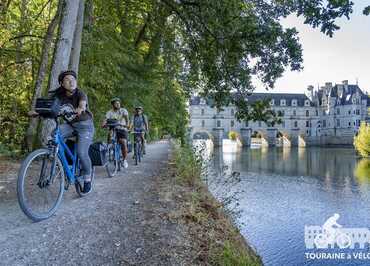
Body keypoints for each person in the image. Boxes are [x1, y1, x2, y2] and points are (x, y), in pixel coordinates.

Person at [29, 70, 95, 194]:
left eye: (73, 79)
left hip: (85, 126)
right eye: (67, 80)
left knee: (81, 152)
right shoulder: (58, 96)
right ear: (62, 83)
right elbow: (49, 107)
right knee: (54, 136)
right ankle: (60, 164)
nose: (71, 81)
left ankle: (87, 178)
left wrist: (80, 109)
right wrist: (37, 112)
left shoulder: (80, 93)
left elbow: (82, 105)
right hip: (71, 125)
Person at [102, 98, 129, 168]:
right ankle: (110, 148)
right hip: (113, 128)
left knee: (123, 142)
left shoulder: (123, 110)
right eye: (116, 103)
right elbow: (105, 119)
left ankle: (124, 160)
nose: (118, 104)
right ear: (113, 105)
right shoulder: (109, 112)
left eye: (118, 103)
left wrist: (127, 125)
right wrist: (103, 124)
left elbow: (127, 119)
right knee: (110, 134)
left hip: (122, 128)